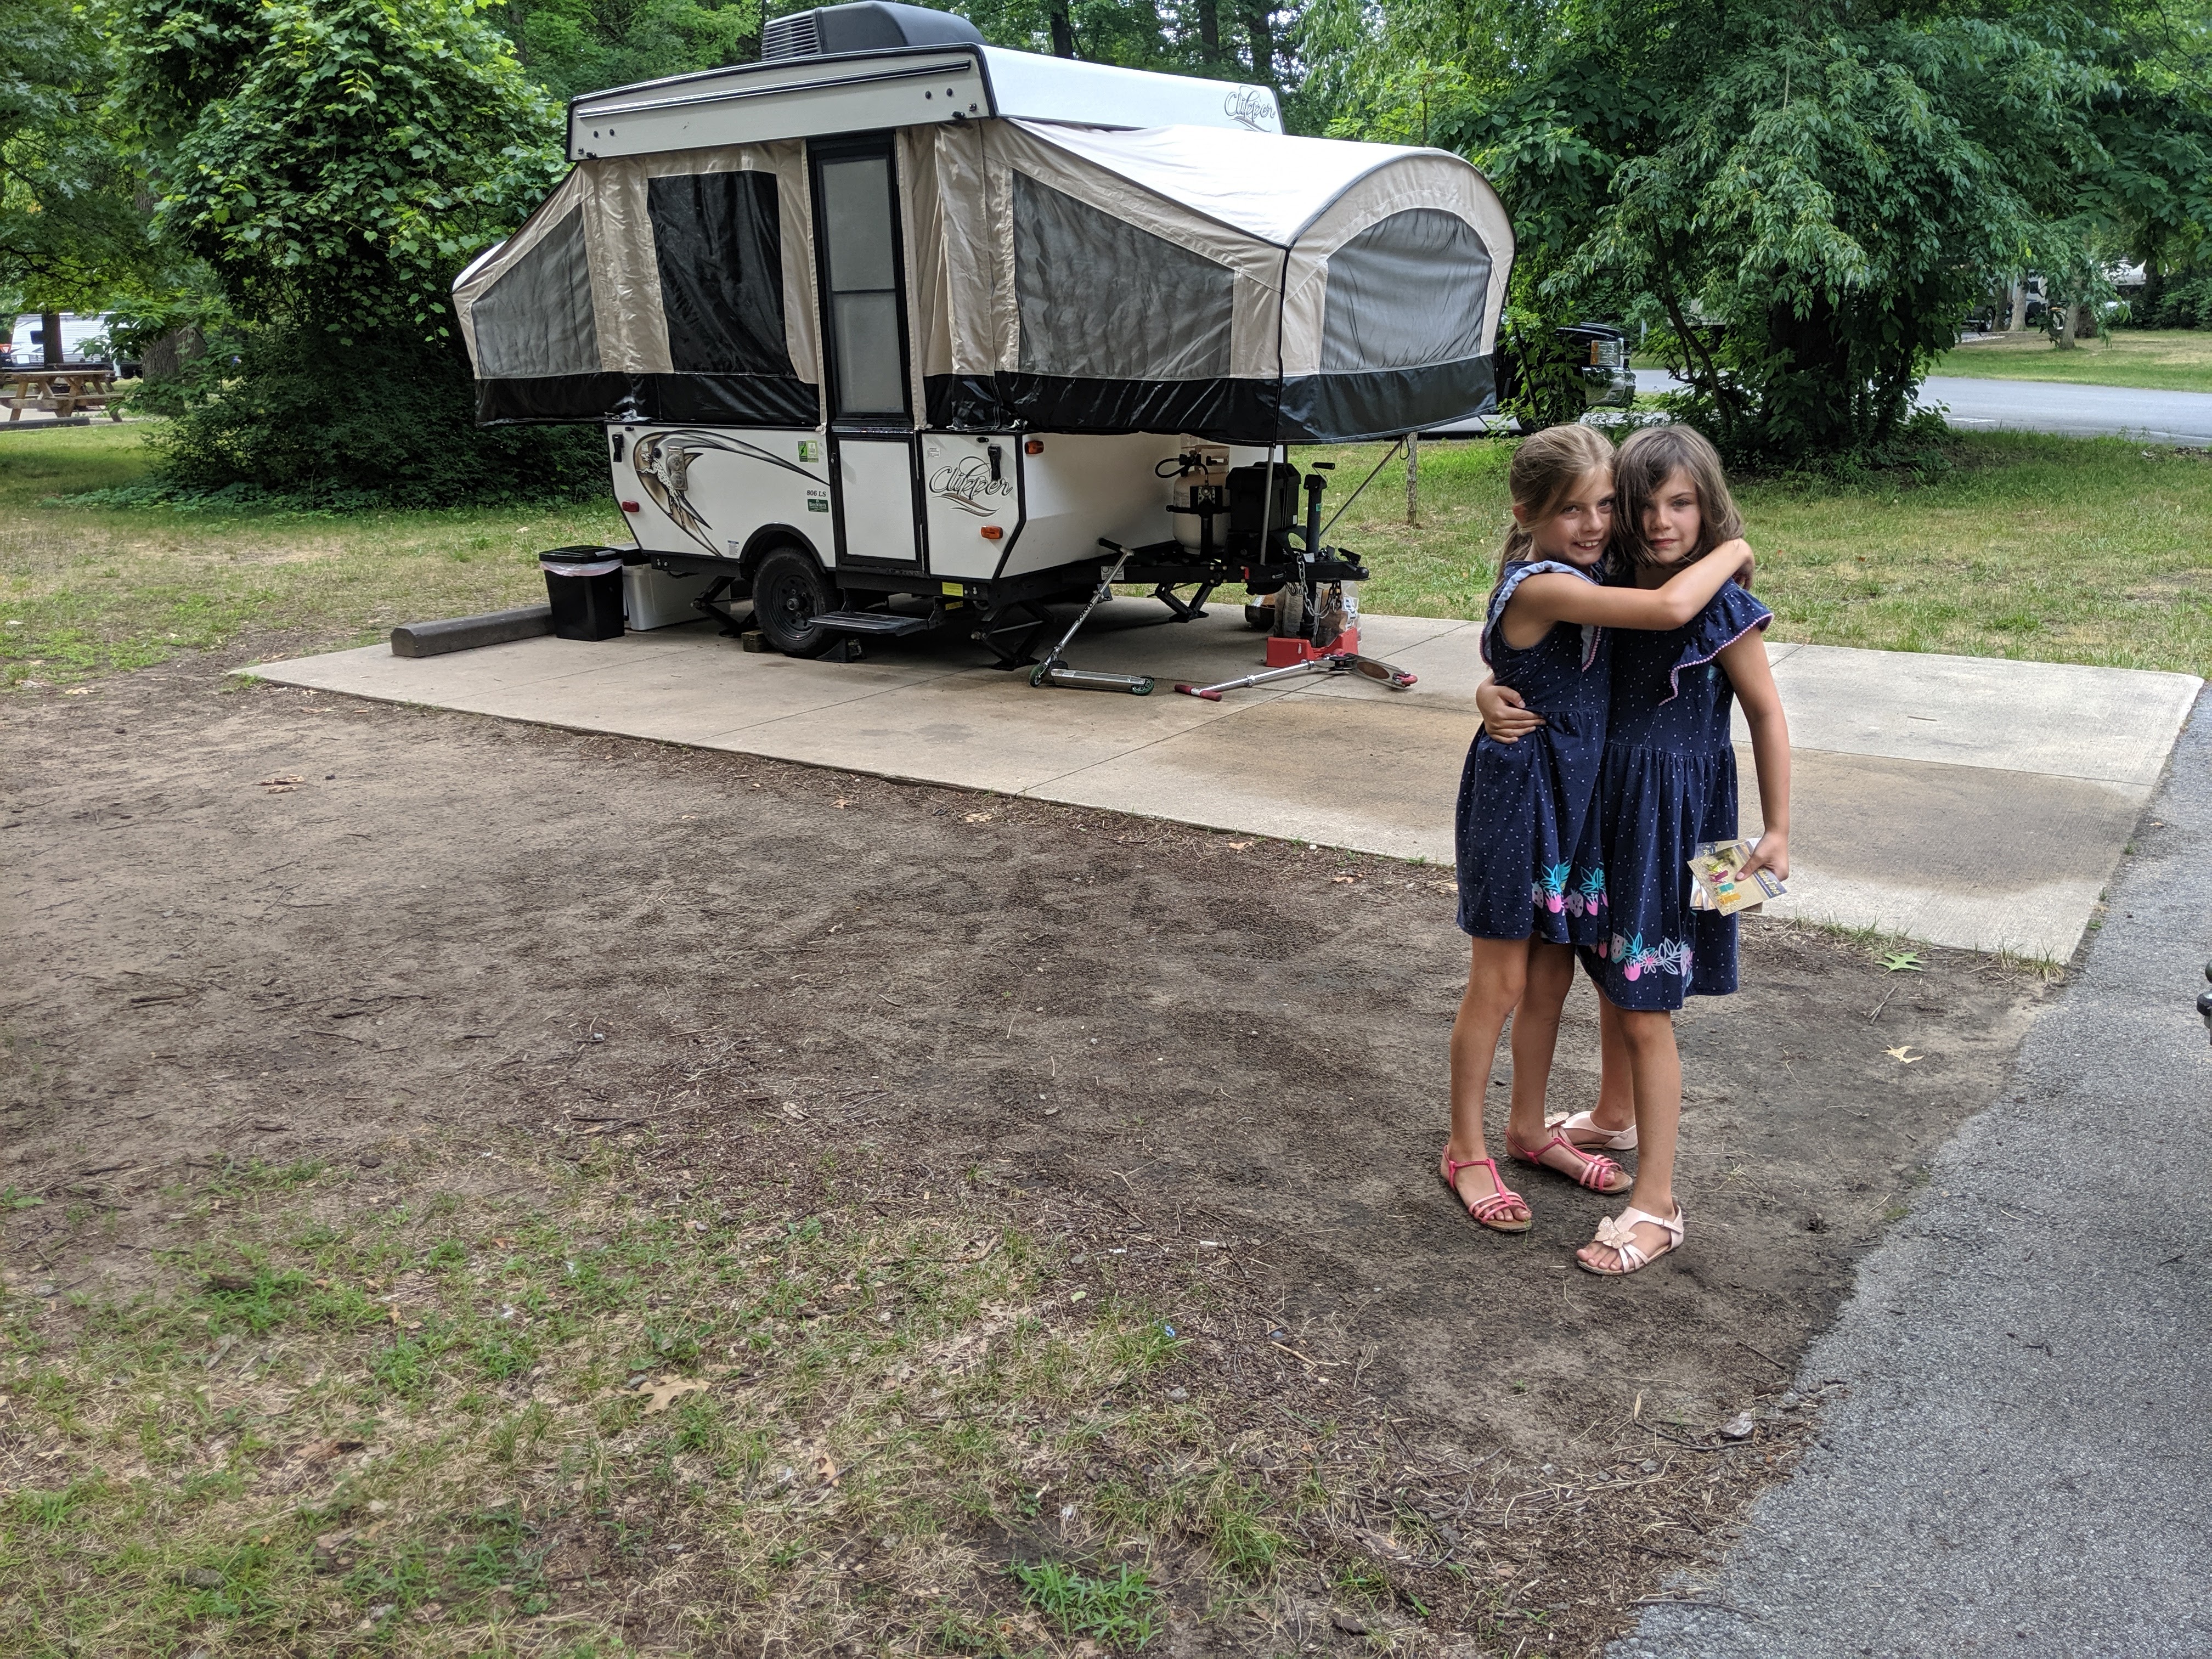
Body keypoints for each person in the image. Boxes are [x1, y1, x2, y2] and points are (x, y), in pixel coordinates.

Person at [1441, 425, 1754, 1233]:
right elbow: (1668, 607)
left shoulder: (1609, 572)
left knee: (1558, 976)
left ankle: (1537, 1127)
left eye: (1606, 505)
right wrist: (1734, 545)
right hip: (1529, 798)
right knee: (1504, 981)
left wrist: (1774, 835)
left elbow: (1762, 712)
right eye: (1572, 510)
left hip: (1613, 807)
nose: (1595, 524)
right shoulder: (1549, 582)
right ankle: (1466, 1149)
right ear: (1527, 515)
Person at [1567, 424, 1791, 1275]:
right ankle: (1612, 1115)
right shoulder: (1607, 587)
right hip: (1609, 806)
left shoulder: (1723, 607)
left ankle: (1657, 1204)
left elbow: (1766, 713)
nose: (1662, 522)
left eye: (1682, 504)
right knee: (1610, 966)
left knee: (1648, 995)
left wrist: (1777, 830)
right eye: (1645, 504)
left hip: (1681, 820)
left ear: (1708, 507)